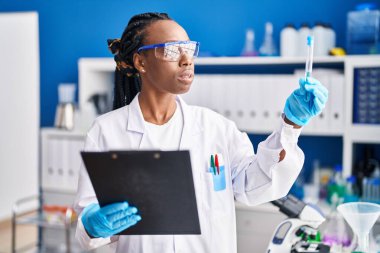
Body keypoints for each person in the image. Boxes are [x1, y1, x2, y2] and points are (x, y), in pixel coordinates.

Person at [74, 12, 328, 253]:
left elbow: (257, 186)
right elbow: (88, 226)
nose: (186, 59)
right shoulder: (106, 132)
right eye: (173, 49)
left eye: (189, 48)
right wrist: (92, 224)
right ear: (141, 62)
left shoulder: (216, 128)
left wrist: (290, 125)